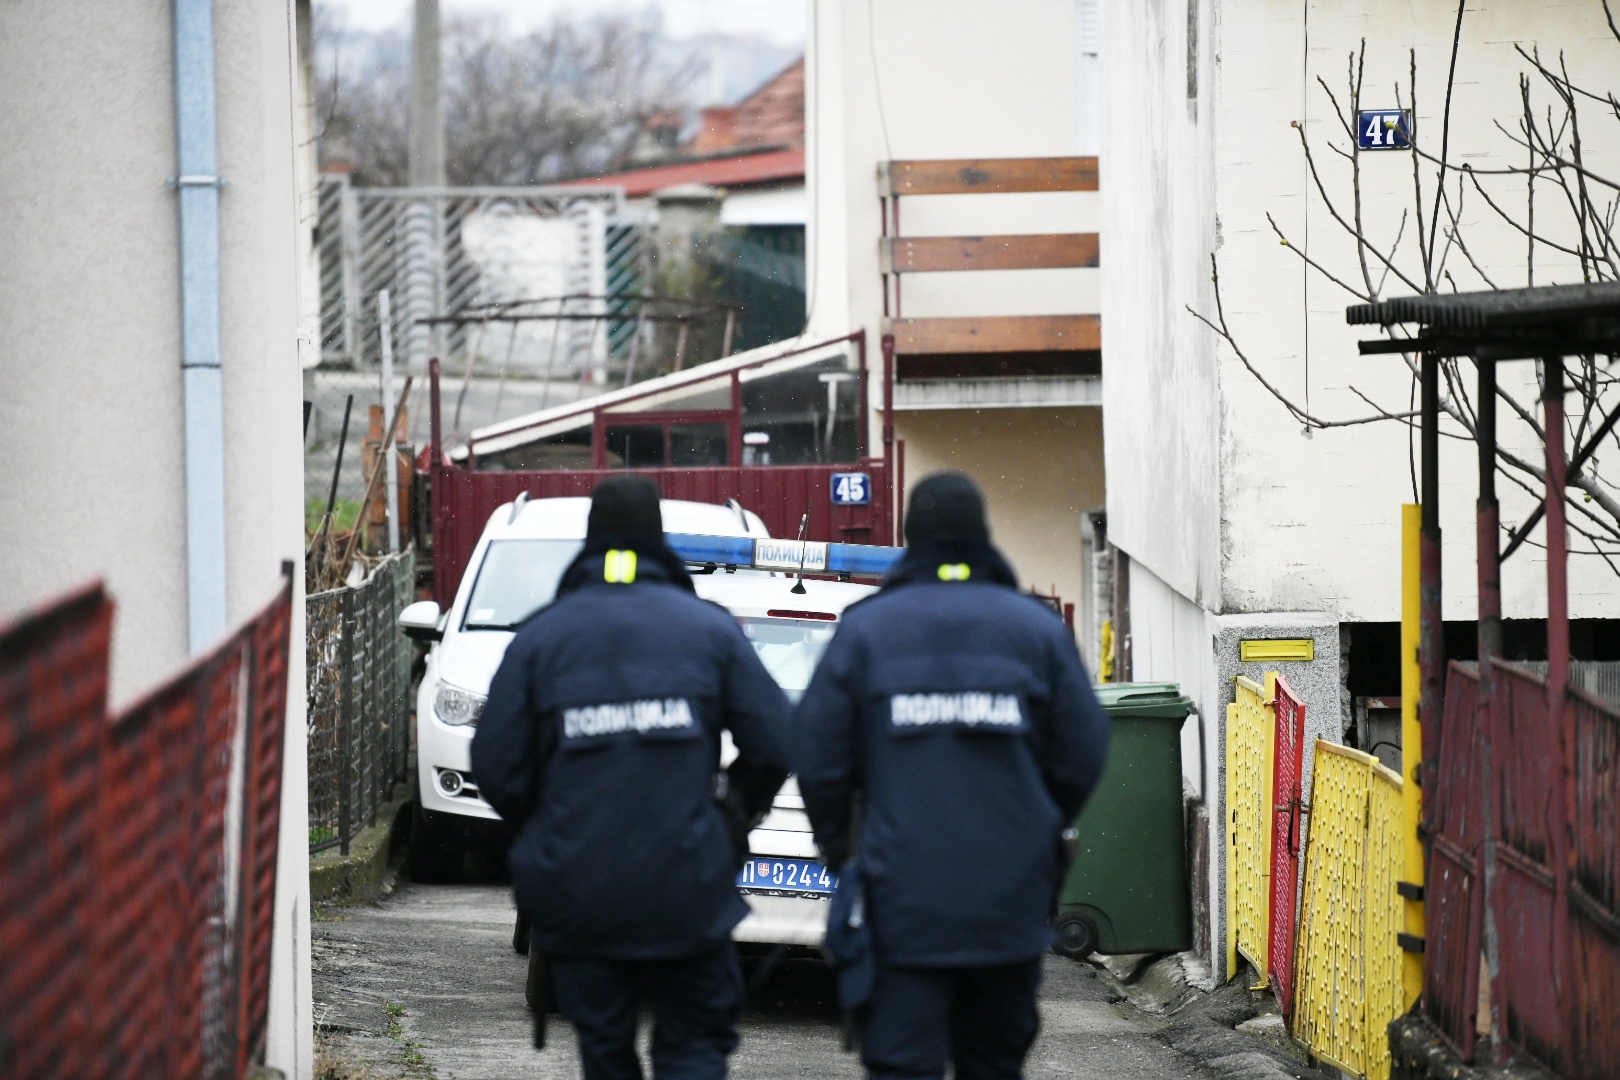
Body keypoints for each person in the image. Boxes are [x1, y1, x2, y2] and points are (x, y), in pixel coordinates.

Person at [793, 471, 1112, 1080]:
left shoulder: (867, 630)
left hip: (900, 904)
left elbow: (817, 756)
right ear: (981, 536)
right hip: (1008, 903)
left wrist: (845, 853)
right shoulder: (1035, 630)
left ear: (911, 537)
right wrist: (1036, 826)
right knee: (992, 1064)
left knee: (903, 1065)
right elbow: (1085, 748)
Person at [471, 476, 791, 1080]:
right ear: (659, 539)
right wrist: (730, 816)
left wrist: (548, 828)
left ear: (591, 539)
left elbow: (494, 762)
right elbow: (776, 742)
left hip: (581, 890)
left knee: (605, 1048)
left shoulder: (542, 638)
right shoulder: (709, 631)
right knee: (694, 1046)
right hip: (687, 886)